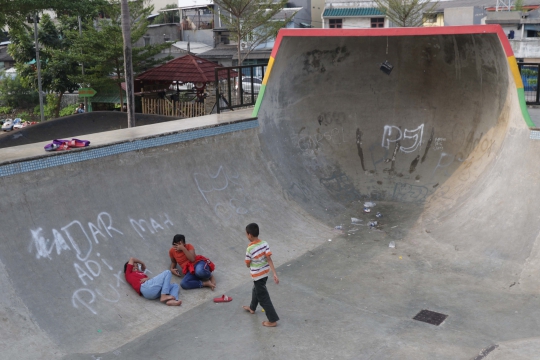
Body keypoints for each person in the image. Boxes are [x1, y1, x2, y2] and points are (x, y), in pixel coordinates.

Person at [242, 223, 280, 327]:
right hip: (265, 274)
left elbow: (247, 263)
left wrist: (249, 264)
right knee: (256, 290)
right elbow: (269, 259)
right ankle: (252, 308)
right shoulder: (265, 243)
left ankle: (272, 320)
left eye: (246, 234)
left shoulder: (249, 248)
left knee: (263, 298)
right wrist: (274, 273)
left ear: (249, 235)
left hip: (257, 276)